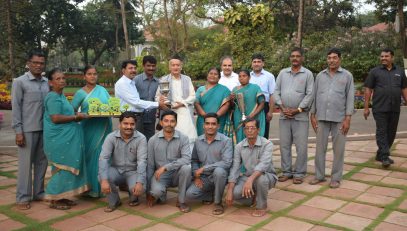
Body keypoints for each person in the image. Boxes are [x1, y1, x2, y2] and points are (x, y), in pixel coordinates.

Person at [43, 68, 89, 209]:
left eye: (63, 78)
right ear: (50, 82)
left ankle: (61, 196)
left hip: (67, 137)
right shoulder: (53, 97)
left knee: (66, 168)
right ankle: (53, 197)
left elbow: (66, 112)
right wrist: (77, 117)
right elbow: (55, 118)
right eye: (58, 79)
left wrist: (78, 113)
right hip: (59, 138)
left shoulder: (61, 96)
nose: (62, 80)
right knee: (63, 168)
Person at [309, 48, 354, 188]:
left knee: (338, 150)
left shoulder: (347, 76)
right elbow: (315, 96)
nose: (331, 60)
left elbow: (350, 98)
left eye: (334, 58)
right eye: (329, 58)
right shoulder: (320, 76)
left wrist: (348, 118)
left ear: (340, 59)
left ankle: (336, 178)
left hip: (340, 118)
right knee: (319, 149)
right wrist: (312, 115)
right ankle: (319, 175)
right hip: (321, 117)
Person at [12, 49, 49, 210]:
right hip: (27, 130)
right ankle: (22, 197)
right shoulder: (20, 82)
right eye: (35, 62)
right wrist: (18, 131)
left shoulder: (47, 82)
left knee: (42, 163)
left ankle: (39, 193)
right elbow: (16, 107)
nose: (38, 66)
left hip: (45, 129)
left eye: (41, 63)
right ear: (28, 63)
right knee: (25, 165)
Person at [274, 47, 314, 184]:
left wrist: (298, 109)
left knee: (301, 146)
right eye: (292, 56)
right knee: (284, 145)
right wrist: (282, 107)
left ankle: (299, 173)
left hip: (300, 116)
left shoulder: (307, 74)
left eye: (297, 56)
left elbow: (310, 94)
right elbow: (276, 91)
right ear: (290, 58)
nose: (295, 58)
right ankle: (286, 172)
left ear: (302, 58)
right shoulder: (282, 73)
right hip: (284, 115)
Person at [71, 65, 112, 197]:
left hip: (103, 127)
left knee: (102, 156)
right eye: (89, 74)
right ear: (84, 76)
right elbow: (72, 111)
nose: (92, 76)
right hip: (87, 129)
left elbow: (111, 106)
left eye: (94, 74)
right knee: (88, 157)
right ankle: (87, 187)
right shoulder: (80, 93)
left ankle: (100, 188)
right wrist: (82, 115)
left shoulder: (103, 90)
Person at [364, 48, 407, 168]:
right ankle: (384, 156)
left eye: (386, 56)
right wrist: (366, 107)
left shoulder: (400, 71)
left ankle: (380, 153)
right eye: (382, 56)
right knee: (382, 131)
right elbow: (368, 89)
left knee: (391, 133)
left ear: (392, 58)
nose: (383, 58)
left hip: (394, 107)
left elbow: (404, 88)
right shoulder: (374, 72)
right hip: (380, 108)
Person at [225, 118, 277, 217]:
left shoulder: (267, 144)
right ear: (244, 131)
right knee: (235, 193)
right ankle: (254, 197)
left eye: (252, 128)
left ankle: (261, 206)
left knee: (261, 180)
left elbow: (263, 165)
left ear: (258, 130)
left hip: (267, 176)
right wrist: (230, 190)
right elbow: (235, 168)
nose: (249, 130)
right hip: (248, 176)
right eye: (247, 128)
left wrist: (250, 180)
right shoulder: (239, 147)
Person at [98, 112, 147, 212]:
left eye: (132, 124)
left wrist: (139, 182)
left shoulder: (141, 138)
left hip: (133, 171)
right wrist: (103, 180)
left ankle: (134, 197)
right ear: (119, 124)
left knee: (138, 188)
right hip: (116, 170)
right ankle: (114, 201)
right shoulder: (111, 137)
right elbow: (103, 159)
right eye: (125, 123)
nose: (129, 127)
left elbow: (142, 161)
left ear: (135, 125)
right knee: (102, 176)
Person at [186, 113, 233, 215]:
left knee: (219, 171)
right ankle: (210, 195)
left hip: (221, 176)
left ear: (218, 126)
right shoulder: (198, 140)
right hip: (204, 178)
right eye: (207, 124)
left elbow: (227, 162)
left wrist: (204, 168)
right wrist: (196, 176)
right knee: (190, 194)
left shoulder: (226, 141)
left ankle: (218, 202)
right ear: (203, 125)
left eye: (213, 124)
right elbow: (194, 160)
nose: (210, 126)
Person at [146, 110, 192, 213]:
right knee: (156, 193)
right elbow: (150, 165)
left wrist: (166, 167)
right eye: (166, 121)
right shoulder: (153, 140)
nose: (169, 124)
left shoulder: (183, 138)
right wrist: (149, 191)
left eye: (172, 121)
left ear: (176, 123)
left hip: (176, 173)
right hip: (160, 175)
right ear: (161, 122)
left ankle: (181, 200)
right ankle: (161, 193)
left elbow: (187, 158)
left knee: (186, 169)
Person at [155, 56, 197, 148]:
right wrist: (162, 101)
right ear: (169, 67)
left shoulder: (187, 79)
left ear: (181, 67)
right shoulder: (163, 80)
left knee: (188, 139)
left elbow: (193, 96)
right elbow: (157, 97)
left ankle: (187, 160)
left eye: (178, 65)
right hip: (169, 112)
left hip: (184, 111)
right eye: (173, 65)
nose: (175, 67)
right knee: (171, 139)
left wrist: (182, 103)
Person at [232, 70, 265, 143]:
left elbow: (262, 103)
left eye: (244, 76)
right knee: (240, 139)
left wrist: (252, 115)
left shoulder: (255, 87)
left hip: (253, 117)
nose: (241, 78)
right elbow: (232, 106)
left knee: (253, 138)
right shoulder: (235, 89)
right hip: (239, 118)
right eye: (240, 76)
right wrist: (231, 99)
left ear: (249, 77)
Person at [195, 67, 231, 136]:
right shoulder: (200, 89)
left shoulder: (224, 90)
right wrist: (205, 116)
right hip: (203, 120)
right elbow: (196, 103)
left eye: (215, 74)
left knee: (218, 141)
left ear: (219, 77)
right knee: (202, 141)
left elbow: (226, 104)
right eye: (211, 73)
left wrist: (215, 117)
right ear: (207, 75)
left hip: (218, 120)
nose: (213, 76)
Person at [250, 53, 275, 139]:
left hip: (264, 107)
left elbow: (272, 95)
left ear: (263, 63)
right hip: (250, 106)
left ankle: (263, 151)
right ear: (252, 63)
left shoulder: (269, 76)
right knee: (250, 130)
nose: (256, 64)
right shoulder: (247, 76)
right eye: (254, 62)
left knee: (263, 131)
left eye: (259, 62)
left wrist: (270, 112)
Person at [134, 55, 160, 140]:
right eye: (148, 66)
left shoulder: (158, 82)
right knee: (137, 141)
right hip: (137, 117)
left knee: (150, 141)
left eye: (153, 66)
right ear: (143, 66)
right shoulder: (135, 80)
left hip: (151, 118)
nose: (151, 68)